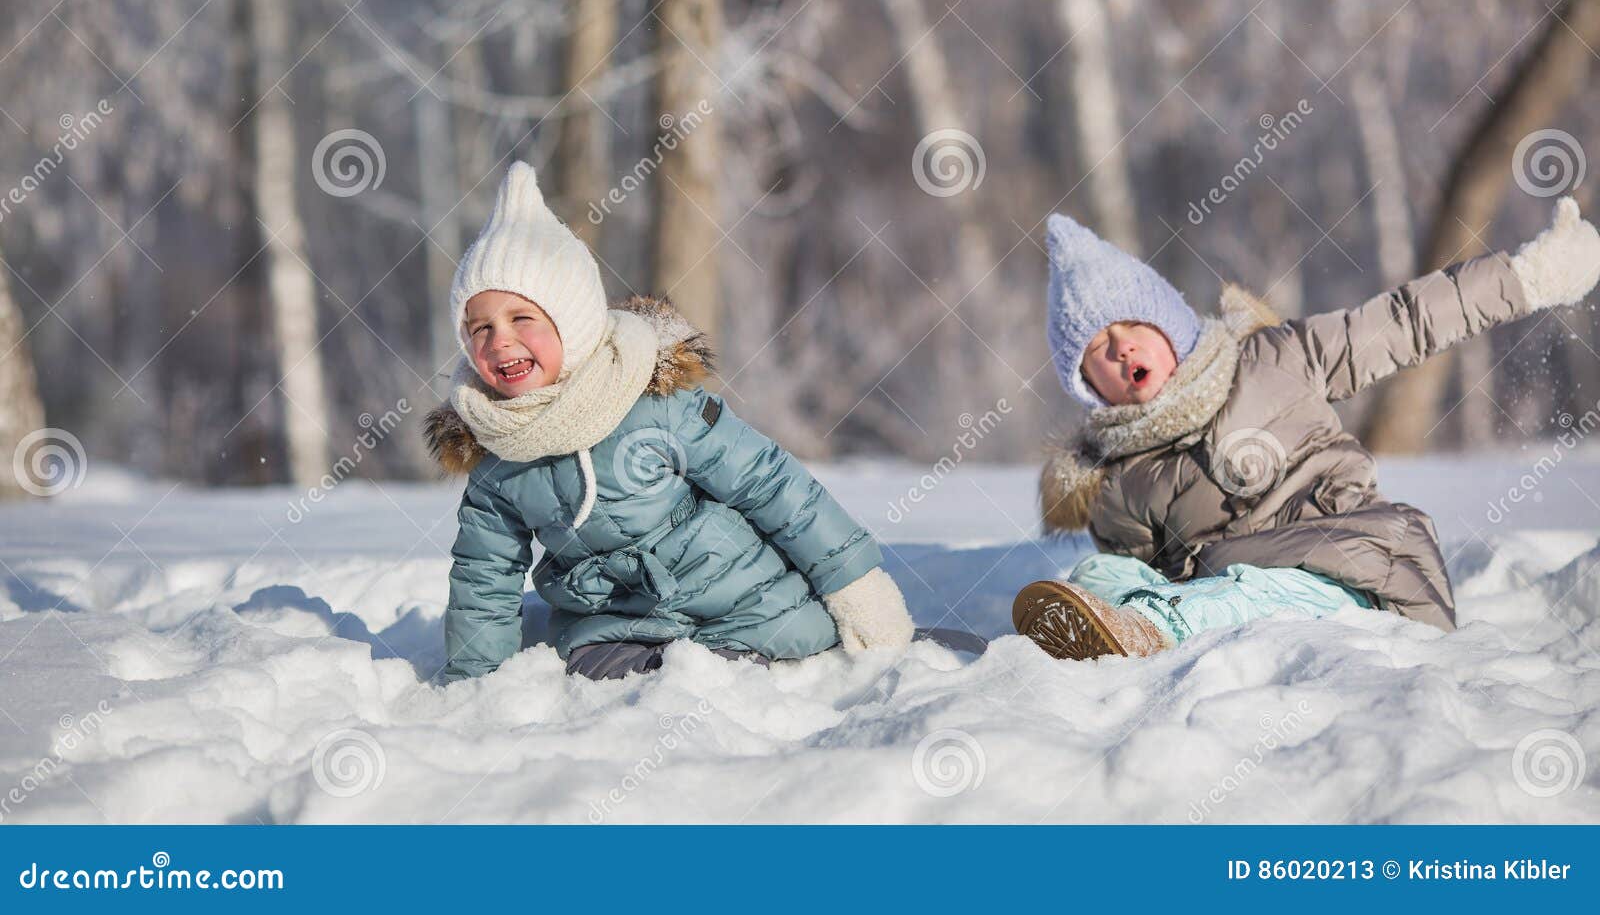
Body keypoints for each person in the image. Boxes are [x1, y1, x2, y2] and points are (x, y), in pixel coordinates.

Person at [1014, 197, 1600, 660]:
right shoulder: (1117, 482)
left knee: (1250, 590)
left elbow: (1405, 321)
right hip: (1225, 599)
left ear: (1168, 323)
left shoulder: (1277, 358)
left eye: (1130, 326)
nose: (1120, 350)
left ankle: (1155, 629)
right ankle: (1115, 631)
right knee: (1099, 573)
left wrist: (1530, 276)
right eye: (1096, 348)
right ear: (1086, 382)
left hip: (1352, 572)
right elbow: (1155, 570)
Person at [430, 161, 915, 682]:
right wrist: (476, 684)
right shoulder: (495, 448)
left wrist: (856, 586)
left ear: (571, 322)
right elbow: (486, 574)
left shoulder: (652, 403)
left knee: (754, 668)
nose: (498, 340)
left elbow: (770, 484)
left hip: (742, 601)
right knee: (602, 681)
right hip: (621, 626)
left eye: (521, 318)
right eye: (479, 328)